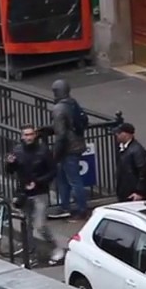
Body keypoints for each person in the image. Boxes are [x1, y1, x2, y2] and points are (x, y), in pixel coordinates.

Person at [5, 125, 60, 261]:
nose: (29, 137)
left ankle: (56, 247)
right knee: (26, 224)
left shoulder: (43, 151)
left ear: (35, 135)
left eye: (31, 134)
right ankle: (30, 250)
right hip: (24, 193)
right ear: (22, 136)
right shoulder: (17, 150)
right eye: (26, 135)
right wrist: (10, 163)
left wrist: (38, 182)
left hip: (40, 192)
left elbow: (53, 171)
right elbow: (10, 171)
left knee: (40, 225)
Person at [48, 79, 91, 219]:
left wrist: (55, 154)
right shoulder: (73, 103)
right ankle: (65, 206)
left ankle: (81, 209)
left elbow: (61, 135)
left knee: (73, 180)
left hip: (67, 149)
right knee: (64, 178)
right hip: (77, 144)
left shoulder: (58, 109)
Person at [114, 122, 146, 202]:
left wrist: (140, 192)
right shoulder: (123, 148)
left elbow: (144, 173)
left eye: (119, 133)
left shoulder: (137, 151)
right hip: (125, 192)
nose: (116, 135)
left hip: (133, 196)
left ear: (127, 134)